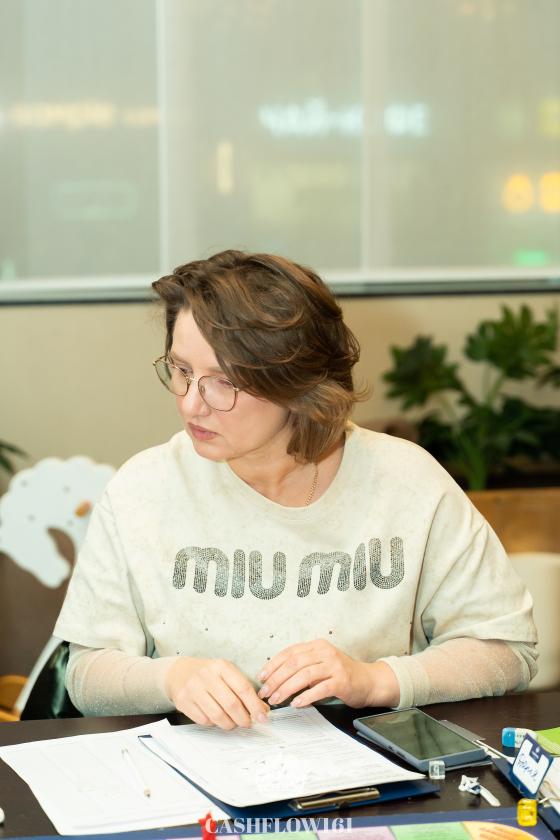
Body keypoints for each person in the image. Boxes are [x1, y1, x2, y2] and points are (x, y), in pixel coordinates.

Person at [54, 249, 538, 728]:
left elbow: (507, 651)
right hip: (194, 765)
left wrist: (375, 680)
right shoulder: (143, 488)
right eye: (181, 371)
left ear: (297, 384)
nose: (190, 404)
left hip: (367, 764)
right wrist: (172, 678)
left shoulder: (406, 481)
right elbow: (86, 673)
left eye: (223, 382)